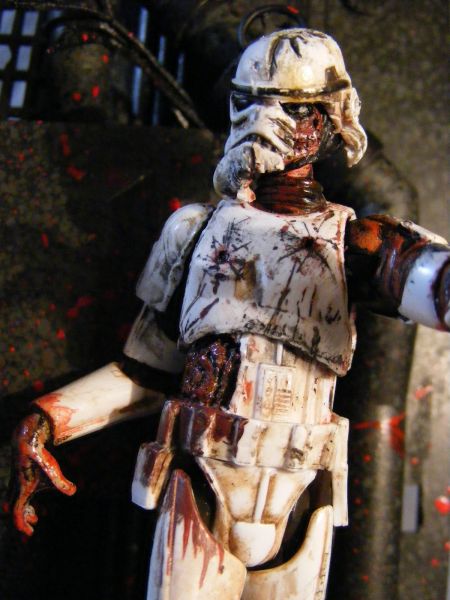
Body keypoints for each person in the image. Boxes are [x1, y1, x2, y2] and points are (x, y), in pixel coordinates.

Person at [9, 29, 449, 600]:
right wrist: (49, 419)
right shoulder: (195, 232)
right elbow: (146, 373)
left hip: (300, 501)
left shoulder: (354, 243)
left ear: (330, 117)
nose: (268, 122)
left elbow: (420, 277)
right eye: (251, 102)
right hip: (202, 481)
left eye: (292, 108)